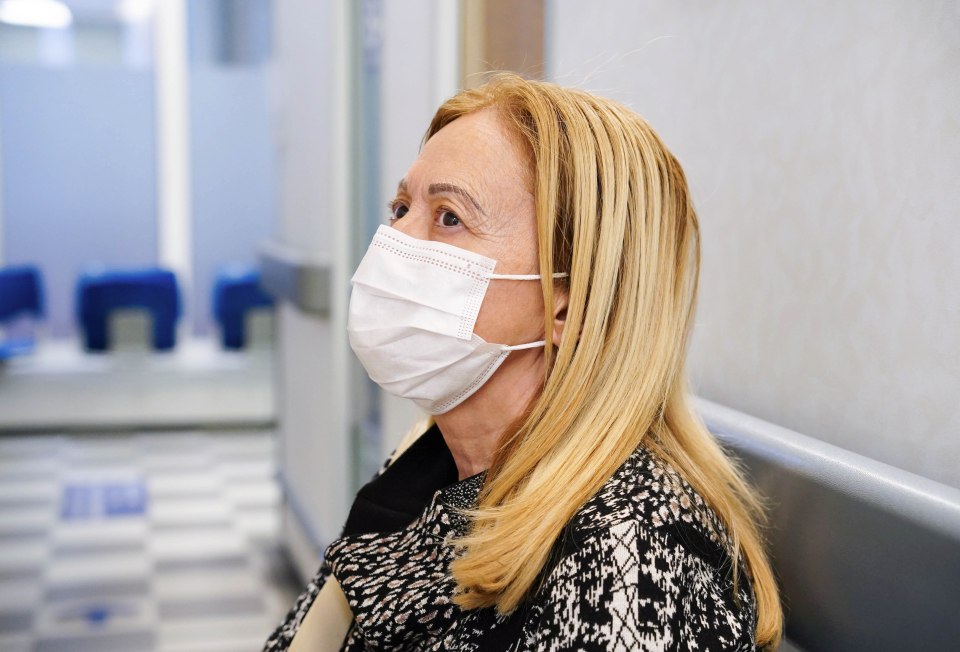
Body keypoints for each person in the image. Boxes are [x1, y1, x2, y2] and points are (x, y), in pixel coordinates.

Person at [263, 72, 783, 651]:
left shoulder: (631, 555)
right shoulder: (426, 461)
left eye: (449, 216)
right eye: (402, 207)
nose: (394, 243)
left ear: (569, 306)